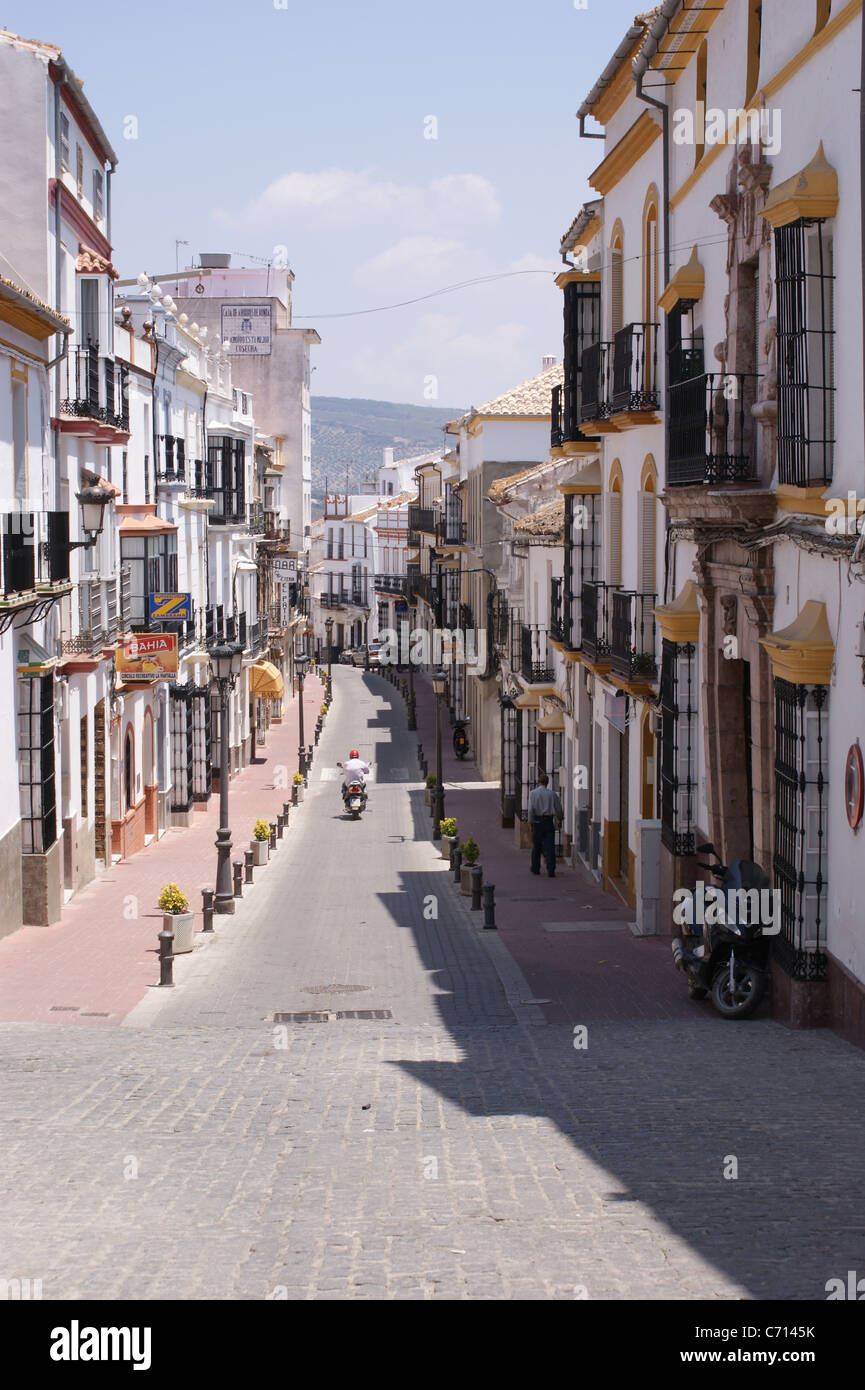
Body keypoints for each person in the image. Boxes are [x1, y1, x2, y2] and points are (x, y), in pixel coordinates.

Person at [527, 771, 563, 878]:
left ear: (538, 782)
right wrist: (559, 820)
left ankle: (535, 868)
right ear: (547, 783)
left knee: (536, 846)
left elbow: (530, 810)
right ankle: (551, 869)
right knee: (550, 847)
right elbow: (559, 809)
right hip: (548, 822)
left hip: (537, 822)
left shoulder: (533, 793)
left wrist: (530, 823)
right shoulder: (552, 794)